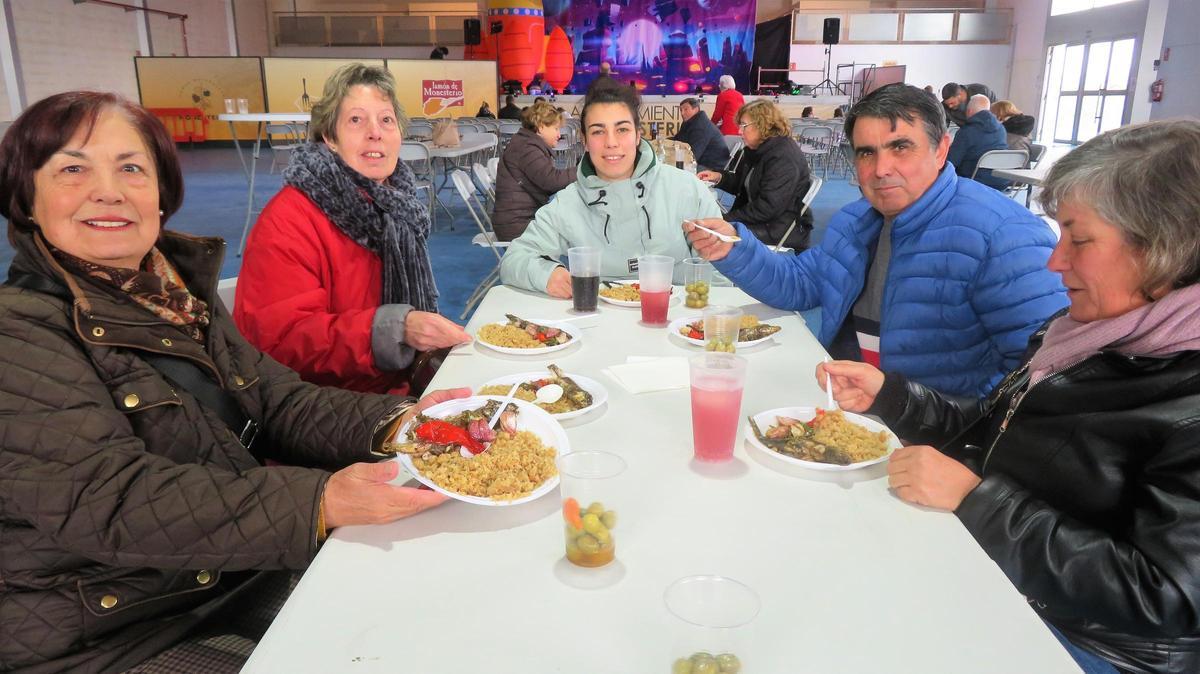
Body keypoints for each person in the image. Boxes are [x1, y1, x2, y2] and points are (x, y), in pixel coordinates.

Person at [0, 90, 468, 672]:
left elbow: (273, 400)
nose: (109, 189)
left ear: (161, 193)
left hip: (227, 569)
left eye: (131, 168)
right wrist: (317, 501)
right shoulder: (19, 334)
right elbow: (110, 501)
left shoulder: (172, 292)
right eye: (73, 168)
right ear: (26, 196)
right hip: (122, 631)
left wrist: (406, 424)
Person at [818, 119, 1200, 674]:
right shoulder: (1087, 330)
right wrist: (894, 398)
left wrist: (978, 501)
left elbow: (1168, 599)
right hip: (1000, 570)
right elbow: (1001, 427)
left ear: (1163, 247)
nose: (1055, 260)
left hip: (1084, 645)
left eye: (1080, 238)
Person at [684, 83, 1067, 398]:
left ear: (941, 150)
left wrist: (937, 421)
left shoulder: (1005, 236)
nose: (881, 169)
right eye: (867, 153)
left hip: (935, 437)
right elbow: (799, 284)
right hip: (842, 402)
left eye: (900, 147)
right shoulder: (857, 221)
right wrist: (734, 247)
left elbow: (1043, 375)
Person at [235, 63, 470, 396]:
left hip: (397, 386)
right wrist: (393, 329)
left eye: (386, 120)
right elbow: (278, 340)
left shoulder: (397, 207)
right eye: (356, 120)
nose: (375, 132)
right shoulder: (288, 220)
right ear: (330, 137)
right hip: (323, 407)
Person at [499, 81, 722, 296]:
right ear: (584, 141)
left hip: (676, 323)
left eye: (622, 129)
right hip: (598, 323)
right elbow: (514, 259)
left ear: (637, 135)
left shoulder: (686, 189)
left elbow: (721, 271)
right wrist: (548, 274)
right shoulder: (569, 202)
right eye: (598, 131)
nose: (611, 142)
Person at [697, 99, 813, 251]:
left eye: (744, 126)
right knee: (706, 225)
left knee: (710, 232)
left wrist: (724, 220)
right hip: (764, 220)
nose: (739, 131)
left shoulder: (783, 157)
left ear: (763, 125)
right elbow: (742, 184)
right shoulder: (758, 150)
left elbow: (767, 208)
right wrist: (718, 177)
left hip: (779, 227)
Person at [492, 100, 576, 241]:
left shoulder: (525, 143)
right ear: (541, 127)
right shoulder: (527, 148)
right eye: (556, 129)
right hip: (517, 225)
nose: (559, 135)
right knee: (575, 230)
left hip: (517, 219)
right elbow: (550, 181)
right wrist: (582, 171)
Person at [947, 94, 1010, 190]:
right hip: (1001, 181)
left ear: (969, 111)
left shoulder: (967, 132)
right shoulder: (1001, 129)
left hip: (974, 182)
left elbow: (951, 162)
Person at [672, 97, 730, 171]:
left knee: (674, 169)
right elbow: (677, 139)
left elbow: (693, 156)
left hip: (713, 168)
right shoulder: (689, 123)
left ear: (696, 109)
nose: (682, 113)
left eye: (686, 109)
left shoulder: (701, 126)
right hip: (701, 162)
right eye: (681, 110)